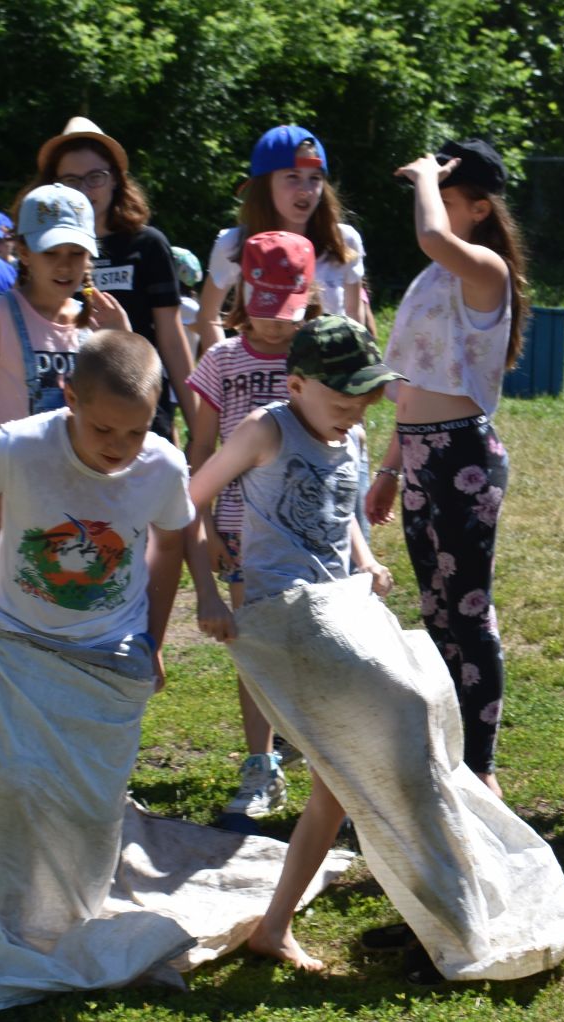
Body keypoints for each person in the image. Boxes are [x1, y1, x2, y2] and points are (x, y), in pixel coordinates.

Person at [186, 316, 564, 979]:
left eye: (364, 404)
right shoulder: (267, 430)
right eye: (343, 403)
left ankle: (277, 927)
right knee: (406, 707)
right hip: (285, 620)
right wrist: (204, 591)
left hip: (340, 608)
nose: (353, 417)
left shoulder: (348, 435)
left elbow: (340, 511)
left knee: (338, 783)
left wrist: (366, 559)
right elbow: (186, 501)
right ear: (297, 385)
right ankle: (445, 898)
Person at [0, 331, 317, 1012]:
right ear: (69, 398)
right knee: (15, 784)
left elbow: (172, 539)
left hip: (109, 653)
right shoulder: (19, 446)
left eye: (136, 430)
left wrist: (153, 635)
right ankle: (6, 927)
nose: (118, 445)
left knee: (89, 806)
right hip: (15, 642)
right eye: (103, 427)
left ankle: (66, 923)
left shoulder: (162, 467)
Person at [365, 140, 528, 796]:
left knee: (468, 611)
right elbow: (413, 380)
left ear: (481, 210)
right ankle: (448, 753)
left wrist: (426, 177)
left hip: (462, 456)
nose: (435, 206)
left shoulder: (484, 268)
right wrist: (389, 467)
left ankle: (481, 767)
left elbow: (432, 233)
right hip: (421, 455)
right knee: (434, 614)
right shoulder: (435, 279)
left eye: (451, 196)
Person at [184, 231, 318, 825]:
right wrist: (207, 524)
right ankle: (261, 764)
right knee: (254, 650)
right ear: (243, 296)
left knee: (311, 651)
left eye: (286, 312)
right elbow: (202, 447)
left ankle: (325, 764)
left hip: (307, 532)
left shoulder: (314, 356)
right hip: (240, 532)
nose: (274, 326)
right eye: (264, 309)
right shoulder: (222, 360)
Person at [0, 183, 129, 569]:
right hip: (15, 499)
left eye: (76, 253)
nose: (64, 265)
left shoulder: (98, 323)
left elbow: (126, 409)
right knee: (13, 622)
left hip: (86, 499)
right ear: (23, 251)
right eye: (50, 252)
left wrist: (122, 337)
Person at [33, 117, 197, 444]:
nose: (85, 189)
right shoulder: (39, 251)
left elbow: (171, 337)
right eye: (71, 180)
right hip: (66, 418)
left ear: (115, 180)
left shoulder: (147, 245)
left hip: (139, 412)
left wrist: (198, 425)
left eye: (96, 177)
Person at [195, 125, 368, 355]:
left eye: (314, 178)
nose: (306, 190)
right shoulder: (233, 244)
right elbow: (207, 316)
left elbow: (355, 318)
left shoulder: (345, 240)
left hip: (326, 385)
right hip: (258, 386)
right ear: (265, 185)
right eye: (293, 177)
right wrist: (223, 373)